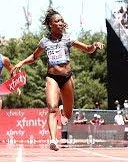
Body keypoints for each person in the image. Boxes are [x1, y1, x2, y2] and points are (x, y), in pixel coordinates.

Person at [12, 9, 104, 151]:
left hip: (67, 78)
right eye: (57, 21)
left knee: (68, 114)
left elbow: (87, 49)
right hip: (52, 77)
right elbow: (34, 56)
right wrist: (21, 63)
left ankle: (63, 112)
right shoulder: (44, 41)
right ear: (50, 24)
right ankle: (53, 139)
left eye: (61, 21)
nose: (60, 23)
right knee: (52, 108)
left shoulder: (68, 39)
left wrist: (94, 46)